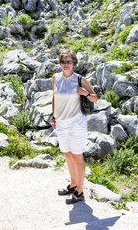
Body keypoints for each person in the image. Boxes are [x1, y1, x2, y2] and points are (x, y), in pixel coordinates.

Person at [51, 49, 97, 204]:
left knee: (77, 155)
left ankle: (80, 191)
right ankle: (73, 184)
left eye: (69, 62)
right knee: (67, 154)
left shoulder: (80, 79)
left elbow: (95, 98)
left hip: (76, 122)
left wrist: (84, 93)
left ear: (74, 63)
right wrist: (53, 117)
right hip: (61, 123)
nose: (66, 64)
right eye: (63, 61)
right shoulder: (55, 78)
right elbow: (54, 97)